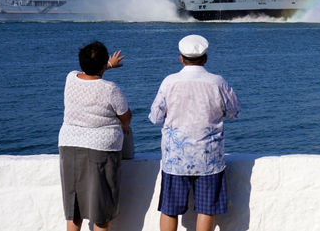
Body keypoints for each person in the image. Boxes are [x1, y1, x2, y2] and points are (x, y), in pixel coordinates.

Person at [149, 34, 240, 231]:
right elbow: (234, 112)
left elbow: (155, 116)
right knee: (207, 209)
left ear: (181, 59)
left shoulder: (169, 82)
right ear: (205, 58)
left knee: (169, 209)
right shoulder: (217, 82)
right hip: (209, 157)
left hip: (175, 158)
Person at [58, 41, 131, 231]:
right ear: (103, 63)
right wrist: (124, 125)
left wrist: (106, 65)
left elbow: (89, 71)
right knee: (101, 209)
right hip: (102, 149)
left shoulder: (70, 78)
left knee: (74, 208)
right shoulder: (110, 89)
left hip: (69, 145)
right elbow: (126, 116)